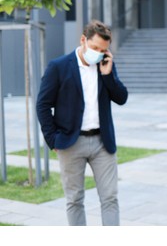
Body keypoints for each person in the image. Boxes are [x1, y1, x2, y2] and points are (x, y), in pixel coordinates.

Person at [36, 20, 128, 226]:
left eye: (103, 50)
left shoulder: (105, 65)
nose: (98, 53)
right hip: (70, 143)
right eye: (95, 48)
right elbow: (42, 105)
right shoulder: (58, 67)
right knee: (75, 200)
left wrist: (108, 76)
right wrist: (53, 140)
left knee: (110, 198)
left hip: (102, 143)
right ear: (83, 40)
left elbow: (122, 98)